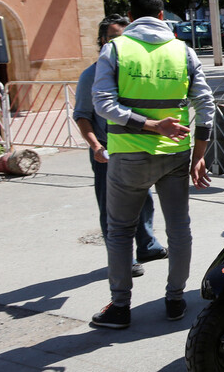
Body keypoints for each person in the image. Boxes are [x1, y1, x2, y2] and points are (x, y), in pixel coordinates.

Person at [90, 0, 215, 329]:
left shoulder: (115, 49)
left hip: (128, 155)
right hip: (175, 156)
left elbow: (102, 103)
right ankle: (175, 299)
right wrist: (199, 155)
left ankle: (120, 307)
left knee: (119, 231)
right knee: (179, 228)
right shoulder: (183, 51)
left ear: (131, 18)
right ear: (162, 16)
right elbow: (206, 106)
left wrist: (146, 124)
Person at [74, 14, 166, 278]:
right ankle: (123, 259)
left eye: (125, 38)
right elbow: (82, 115)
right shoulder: (91, 75)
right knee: (113, 208)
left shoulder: (133, 71)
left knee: (144, 200)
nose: (119, 43)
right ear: (102, 41)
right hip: (108, 151)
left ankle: (147, 245)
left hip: (136, 146)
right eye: (113, 38)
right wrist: (94, 146)